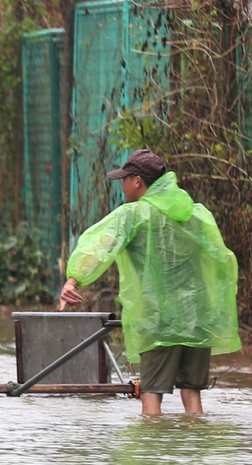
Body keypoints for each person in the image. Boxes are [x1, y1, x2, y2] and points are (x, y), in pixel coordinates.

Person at [58, 147, 240, 417]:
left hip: (159, 321)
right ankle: (195, 453)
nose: (122, 187)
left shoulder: (133, 214)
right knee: (192, 393)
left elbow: (99, 246)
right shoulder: (197, 214)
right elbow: (220, 261)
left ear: (137, 181)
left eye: (124, 179)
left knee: (151, 393)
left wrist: (73, 280)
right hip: (196, 318)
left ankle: (151, 454)